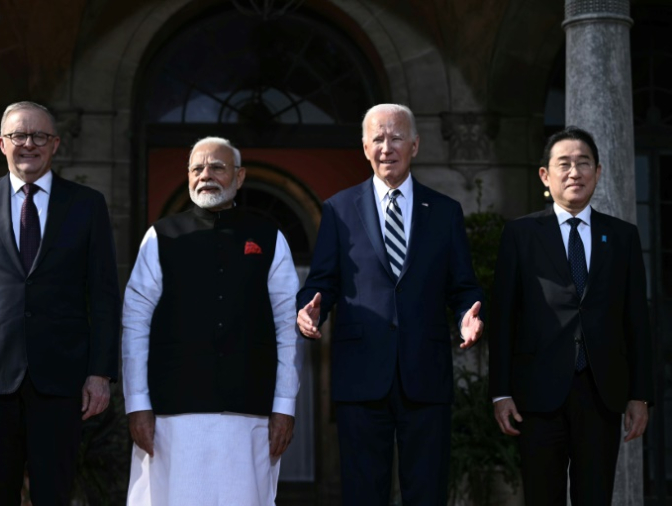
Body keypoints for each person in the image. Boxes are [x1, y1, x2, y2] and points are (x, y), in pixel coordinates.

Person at [296, 103, 484, 505]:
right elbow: (321, 282)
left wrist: (468, 313)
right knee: (364, 493)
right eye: (378, 138)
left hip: (426, 374)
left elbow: (462, 285)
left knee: (427, 491)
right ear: (364, 147)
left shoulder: (446, 211)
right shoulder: (338, 210)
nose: (387, 146)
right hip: (361, 375)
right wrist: (309, 310)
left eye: (396, 137)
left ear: (415, 145)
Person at [0, 101, 121, 506]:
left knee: (54, 495)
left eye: (39, 136)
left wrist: (100, 373)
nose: (29, 144)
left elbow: (105, 295)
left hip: (61, 378)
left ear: (55, 144)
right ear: (1, 143)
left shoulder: (87, 205)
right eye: (19, 135)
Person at [122, 136, 301, 506]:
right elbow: (135, 323)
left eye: (217, 167)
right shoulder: (160, 236)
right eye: (197, 168)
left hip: (248, 412)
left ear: (239, 176)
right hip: (172, 414)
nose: (206, 175)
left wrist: (284, 406)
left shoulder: (269, 237)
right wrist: (137, 403)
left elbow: (286, 326)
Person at [488, 126, 653, 505]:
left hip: (601, 393)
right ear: (545, 175)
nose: (574, 172)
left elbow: (637, 320)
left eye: (583, 163)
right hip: (538, 393)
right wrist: (501, 392)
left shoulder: (623, 236)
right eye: (564, 164)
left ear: (598, 171)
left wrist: (640, 395)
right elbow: (503, 317)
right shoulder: (521, 234)